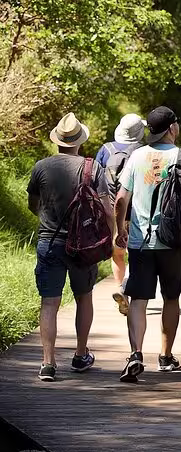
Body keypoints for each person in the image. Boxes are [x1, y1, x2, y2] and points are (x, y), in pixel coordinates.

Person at [114, 106, 181, 382]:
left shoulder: (137, 155)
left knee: (138, 299)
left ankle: (136, 354)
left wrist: (120, 230)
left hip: (141, 241)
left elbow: (120, 200)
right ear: (172, 128)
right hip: (173, 241)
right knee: (171, 299)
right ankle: (165, 357)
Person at [27, 113, 113, 381]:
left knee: (49, 303)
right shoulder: (92, 168)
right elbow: (107, 209)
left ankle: (48, 363)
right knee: (83, 297)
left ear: (58, 141)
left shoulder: (41, 166)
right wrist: (112, 235)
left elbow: (33, 204)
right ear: (79, 141)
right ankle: (79, 354)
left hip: (49, 242)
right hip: (83, 246)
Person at [95, 114, 145, 316]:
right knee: (136, 254)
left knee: (117, 252)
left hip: (111, 209)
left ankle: (119, 288)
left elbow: (97, 180)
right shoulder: (143, 151)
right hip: (137, 210)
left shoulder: (106, 150)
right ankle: (127, 289)